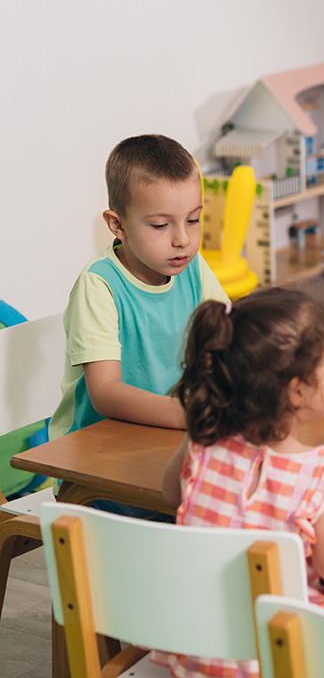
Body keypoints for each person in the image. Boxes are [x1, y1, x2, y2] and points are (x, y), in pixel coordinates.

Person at [158, 288, 324, 678]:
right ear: (297, 391)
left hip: (199, 652)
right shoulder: (319, 471)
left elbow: (172, 492)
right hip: (282, 659)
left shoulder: (205, 443)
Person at [48, 134, 228, 518]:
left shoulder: (193, 268)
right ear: (118, 225)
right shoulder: (100, 286)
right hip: (95, 469)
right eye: (161, 225)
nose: (183, 239)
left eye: (194, 220)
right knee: (213, 508)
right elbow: (107, 393)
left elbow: (229, 338)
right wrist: (190, 414)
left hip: (166, 443)